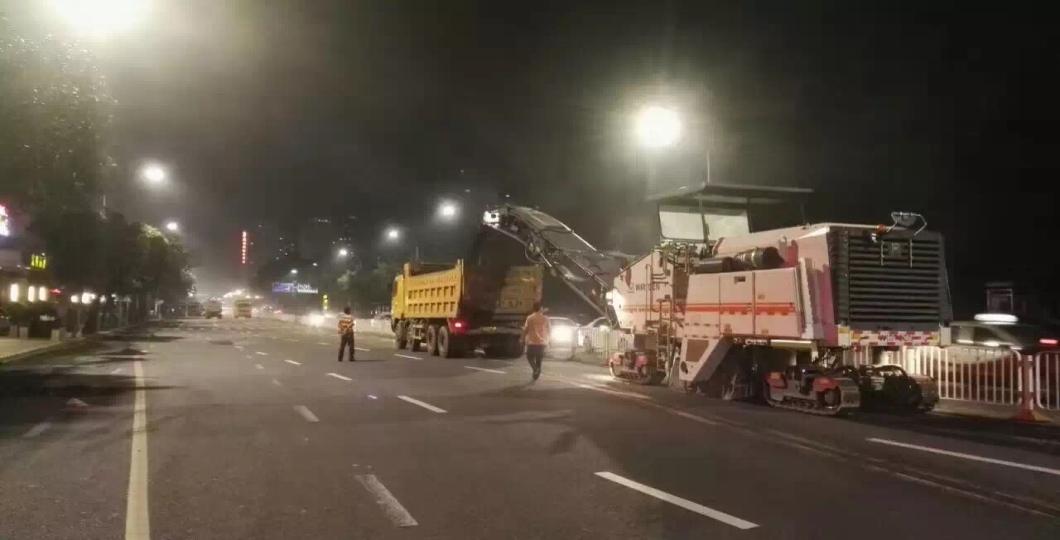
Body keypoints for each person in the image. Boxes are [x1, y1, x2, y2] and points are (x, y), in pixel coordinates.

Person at [522, 302, 550, 380]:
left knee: (529, 356)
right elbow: (549, 330)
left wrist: (522, 338)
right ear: (541, 309)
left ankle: (535, 369)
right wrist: (548, 341)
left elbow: (526, 329)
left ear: (533, 309)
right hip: (542, 342)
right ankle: (536, 373)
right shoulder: (546, 318)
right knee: (539, 359)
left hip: (532, 341)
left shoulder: (530, 318)